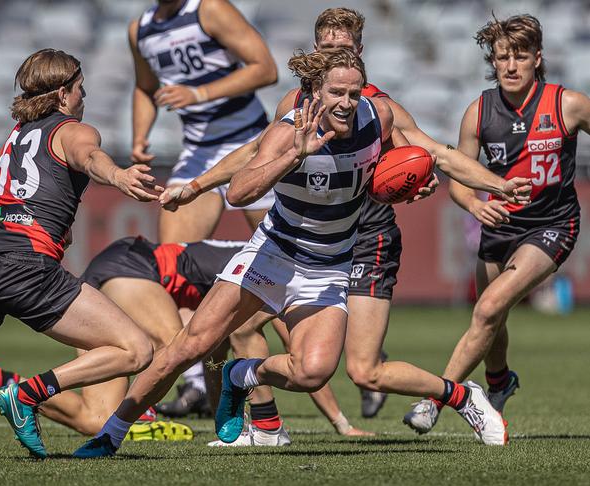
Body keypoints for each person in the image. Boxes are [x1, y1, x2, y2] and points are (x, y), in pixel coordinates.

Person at [72, 48, 505, 458]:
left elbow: (431, 157)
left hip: (331, 264)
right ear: (316, 91)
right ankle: (111, 433)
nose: (347, 102)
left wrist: (485, 184)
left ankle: (240, 375)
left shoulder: (380, 118)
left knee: (312, 372)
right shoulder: (289, 130)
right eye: (337, 93)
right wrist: (294, 155)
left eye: (354, 93)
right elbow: (240, 193)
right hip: (272, 255)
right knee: (189, 346)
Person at [160, 7, 532, 440]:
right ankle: (261, 418)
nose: (334, 54)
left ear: (359, 51)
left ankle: (461, 396)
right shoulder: (295, 104)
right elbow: (252, 155)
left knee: (365, 370)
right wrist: (198, 184)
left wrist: (495, 185)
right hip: (305, 245)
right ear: (316, 52)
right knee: (244, 326)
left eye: (343, 48)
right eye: (326, 47)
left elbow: (437, 155)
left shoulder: (377, 107)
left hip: (367, 237)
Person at [0, 49, 164, 459]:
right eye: (81, 88)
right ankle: (26, 394)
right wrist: (118, 175)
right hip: (26, 267)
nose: (85, 95)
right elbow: (91, 159)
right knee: (136, 350)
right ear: (63, 93)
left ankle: (21, 393)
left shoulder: (19, 130)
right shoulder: (74, 130)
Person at [0, 235, 368, 445]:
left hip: (116, 275)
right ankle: (263, 428)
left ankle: (0, 382)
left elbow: (225, 351)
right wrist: (340, 422)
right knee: (182, 346)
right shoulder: (270, 266)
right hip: (134, 266)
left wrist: (216, 407)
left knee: (95, 420)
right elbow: (287, 345)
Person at [403, 14, 586, 435]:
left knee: (487, 309)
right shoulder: (478, 111)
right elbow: (459, 182)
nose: (510, 66)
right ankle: (500, 381)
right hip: (499, 225)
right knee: (491, 320)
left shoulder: (567, 104)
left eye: (520, 56)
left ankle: (435, 400)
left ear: (538, 59)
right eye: (503, 56)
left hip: (553, 225)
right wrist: (474, 205)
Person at [129, 0, 277, 409]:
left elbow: (266, 68)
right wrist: (140, 136)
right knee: (172, 266)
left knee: (286, 262)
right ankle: (195, 382)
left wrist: (199, 92)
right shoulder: (139, 29)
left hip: (252, 147)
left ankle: (338, 357)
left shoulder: (209, 9)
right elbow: (145, 88)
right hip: (197, 152)